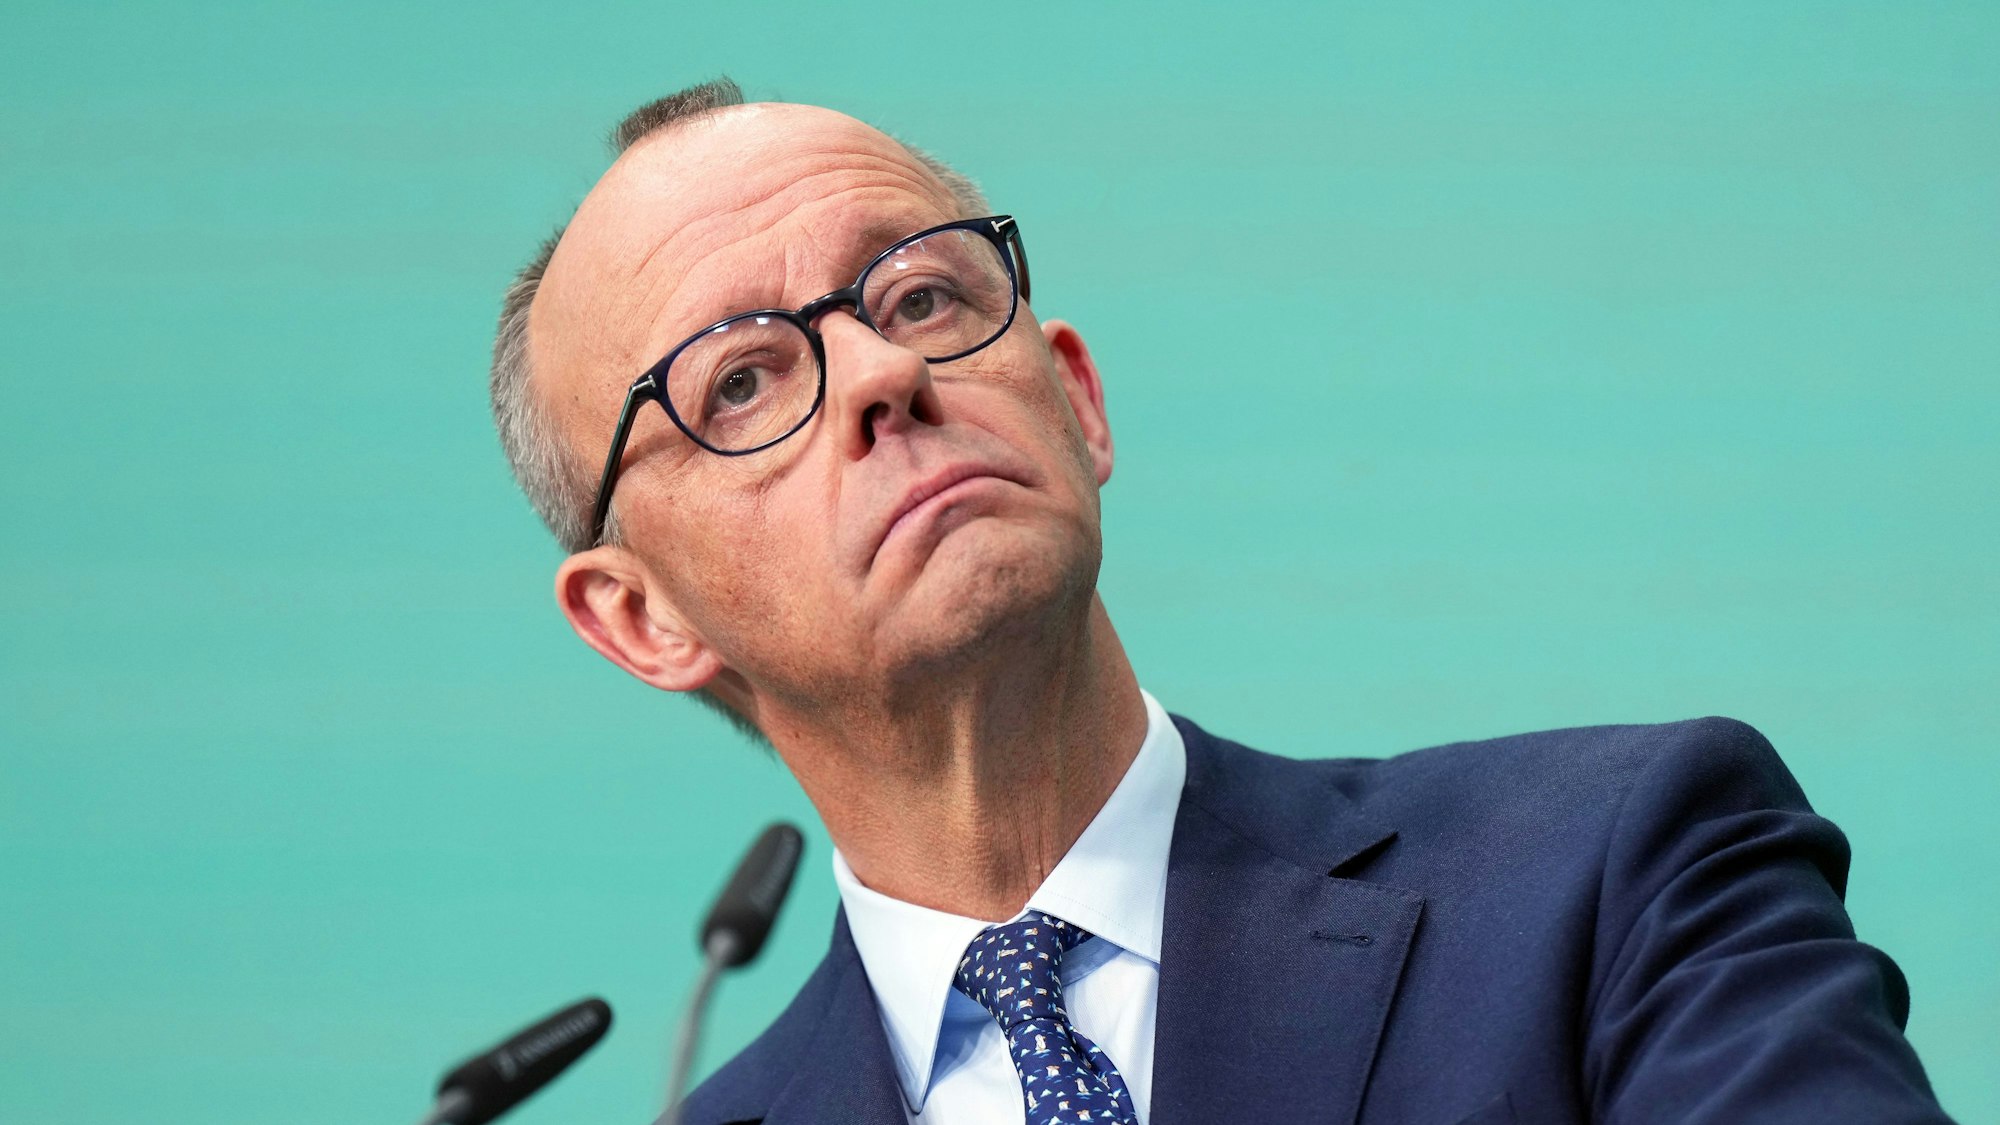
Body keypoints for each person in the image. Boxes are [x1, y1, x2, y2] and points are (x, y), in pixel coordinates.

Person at [488, 78, 1952, 1125]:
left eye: (922, 296)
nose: (882, 374)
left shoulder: (1614, 872)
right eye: (743, 382)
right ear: (641, 619)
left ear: (1075, 400)